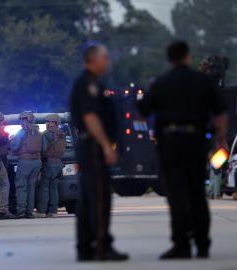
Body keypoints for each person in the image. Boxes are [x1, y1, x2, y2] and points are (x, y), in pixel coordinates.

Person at [137, 41, 228, 259]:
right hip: (196, 141)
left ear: (170, 58)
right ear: (188, 56)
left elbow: (142, 112)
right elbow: (221, 113)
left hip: (169, 142)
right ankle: (202, 244)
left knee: (176, 194)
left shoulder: (161, 82)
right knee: (197, 192)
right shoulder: (202, 81)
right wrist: (221, 141)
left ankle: (181, 245)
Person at [69, 43, 128, 262]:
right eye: (105, 57)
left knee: (87, 199)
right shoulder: (87, 84)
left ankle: (85, 247)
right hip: (94, 147)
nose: (108, 61)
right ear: (93, 60)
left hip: (91, 146)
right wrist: (105, 145)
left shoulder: (93, 83)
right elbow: (90, 117)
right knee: (100, 197)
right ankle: (102, 245)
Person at [10, 111, 44, 219]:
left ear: (23, 120)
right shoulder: (39, 133)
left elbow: (14, 147)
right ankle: (29, 212)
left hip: (24, 162)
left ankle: (21, 211)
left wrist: (12, 141)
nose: (20, 122)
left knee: (21, 187)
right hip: (37, 162)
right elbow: (45, 148)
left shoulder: (21, 132)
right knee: (31, 187)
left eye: (21, 120)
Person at [36, 114, 66, 218]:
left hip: (48, 163)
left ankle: (42, 211)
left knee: (44, 188)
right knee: (54, 189)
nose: (47, 123)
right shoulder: (62, 134)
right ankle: (53, 211)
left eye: (48, 121)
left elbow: (42, 149)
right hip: (58, 164)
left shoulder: (44, 134)